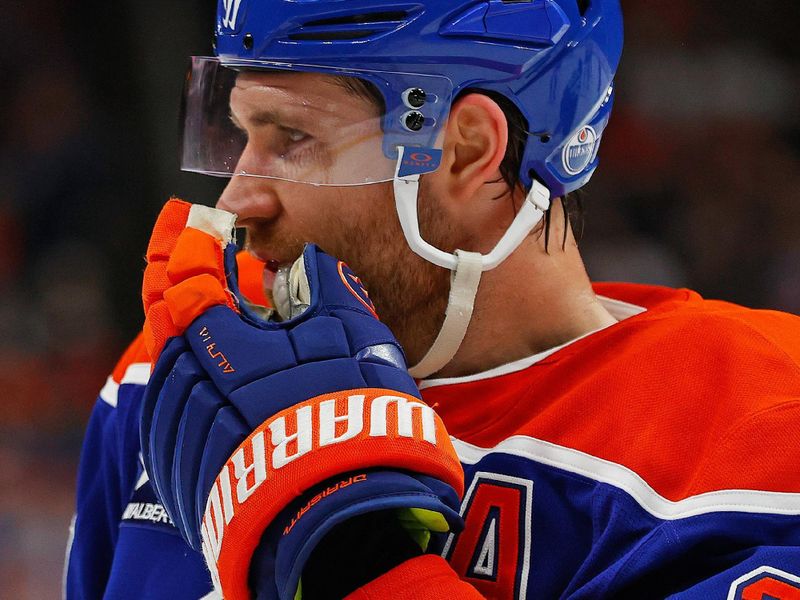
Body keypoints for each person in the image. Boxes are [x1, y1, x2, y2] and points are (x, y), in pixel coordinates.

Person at [65, 0, 800, 598]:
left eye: (292, 136)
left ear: (470, 150)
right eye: (240, 131)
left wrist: (349, 558)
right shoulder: (182, 368)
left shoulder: (758, 430)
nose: (237, 199)